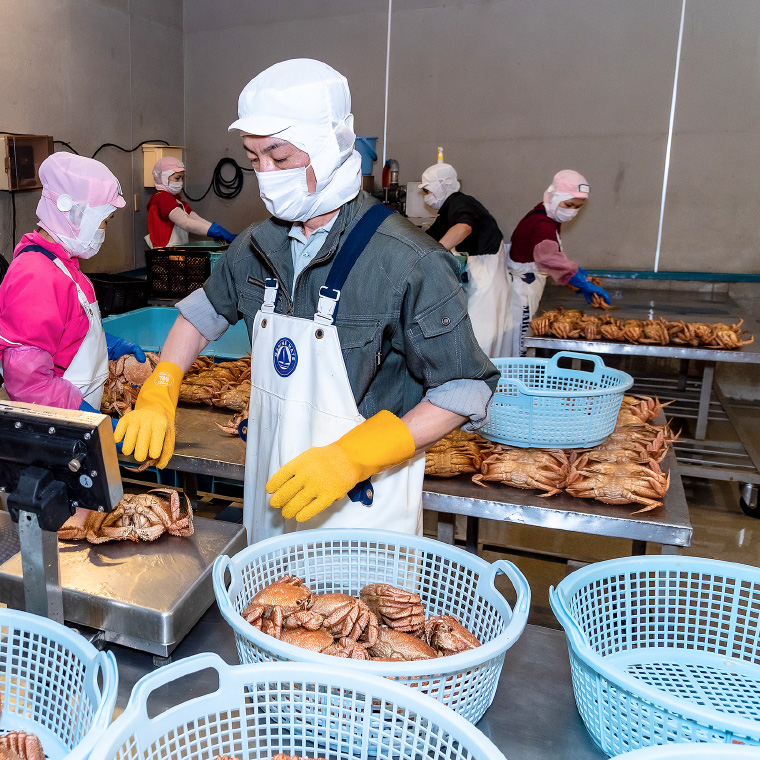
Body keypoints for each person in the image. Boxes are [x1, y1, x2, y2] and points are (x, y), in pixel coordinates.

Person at [115, 59, 499, 542]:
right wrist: (161, 387)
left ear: (329, 146)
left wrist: (352, 456)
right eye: (254, 160)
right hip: (271, 495)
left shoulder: (408, 260)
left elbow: (463, 388)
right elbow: (202, 314)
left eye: (279, 157)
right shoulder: (256, 246)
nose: (266, 174)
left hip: (363, 508)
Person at [0, 152, 145, 413]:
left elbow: (61, 334)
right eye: (104, 221)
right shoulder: (35, 275)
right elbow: (29, 385)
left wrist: (105, 344)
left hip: (68, 422)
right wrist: (90, 422)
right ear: (75, 215)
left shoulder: (63, 264)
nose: (104, 230)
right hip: (56, 428)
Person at [505, 169, 610, 356]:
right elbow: (548, 258)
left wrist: (577, 276)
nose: (572, 211)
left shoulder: (547, 215)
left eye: (578, 207)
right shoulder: (542, 224)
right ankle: (513, 383)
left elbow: (551, 257)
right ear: (554, 197)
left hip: (527, 286)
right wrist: (579, 281)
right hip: (521, 294)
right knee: (519, 345)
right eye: (569, 204)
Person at [420, 162, 512, 357]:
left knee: (481, 340)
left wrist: (434, 254)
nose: (426, 196)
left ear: (442, 185)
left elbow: (463, 228)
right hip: (479, 275)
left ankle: (483, 385)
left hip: (488, 278)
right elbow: (428, 238)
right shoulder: (447, 211)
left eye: (427, 190)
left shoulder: (461, 202)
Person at [145, 156, 236, 247]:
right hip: (165, 253)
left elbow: (195, 219)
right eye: (177, 178)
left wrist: (218, 230)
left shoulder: (175, 200)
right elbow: (185, 222)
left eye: (182, 178)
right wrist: (215, 232)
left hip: (174, 252)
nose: (180, 182)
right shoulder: (163, 198)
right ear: (162, 178)